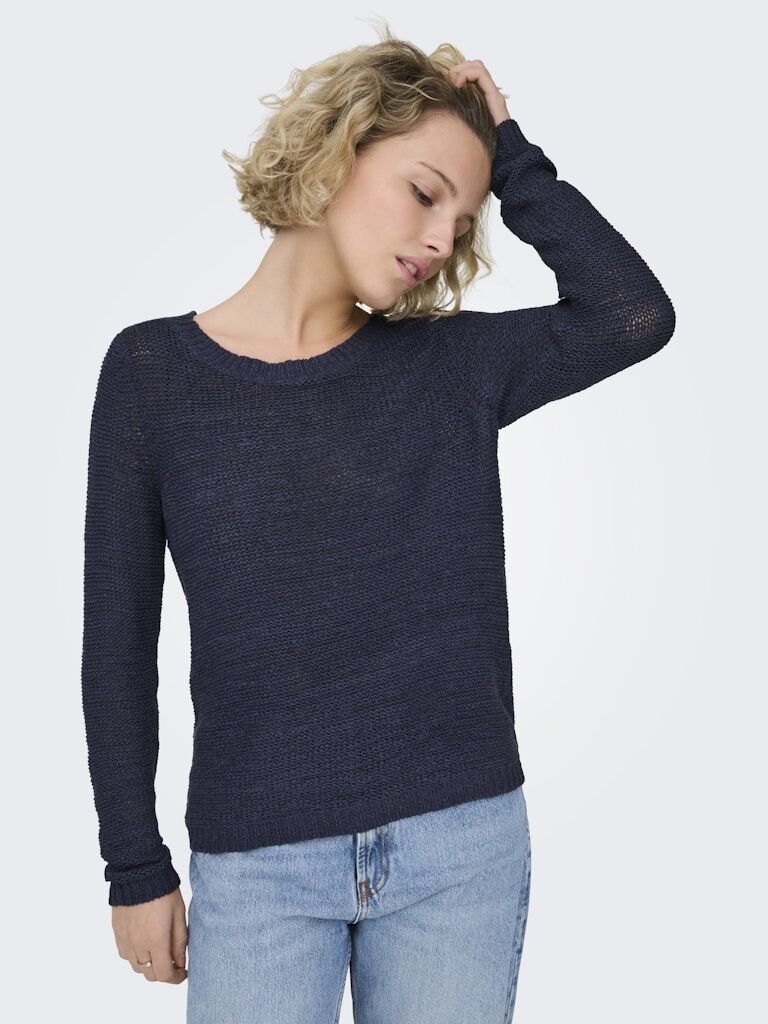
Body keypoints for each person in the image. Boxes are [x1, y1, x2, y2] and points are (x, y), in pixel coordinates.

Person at [81, 29, 675, 1024]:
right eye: (424, 191)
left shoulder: (454, 366)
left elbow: (632, 315)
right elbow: (116, 640)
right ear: (339, 147)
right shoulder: (153, 377)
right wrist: (133, 864)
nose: (443, 238)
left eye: (464, 219)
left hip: (461, 847)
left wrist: (512, 158)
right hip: (258, 866)